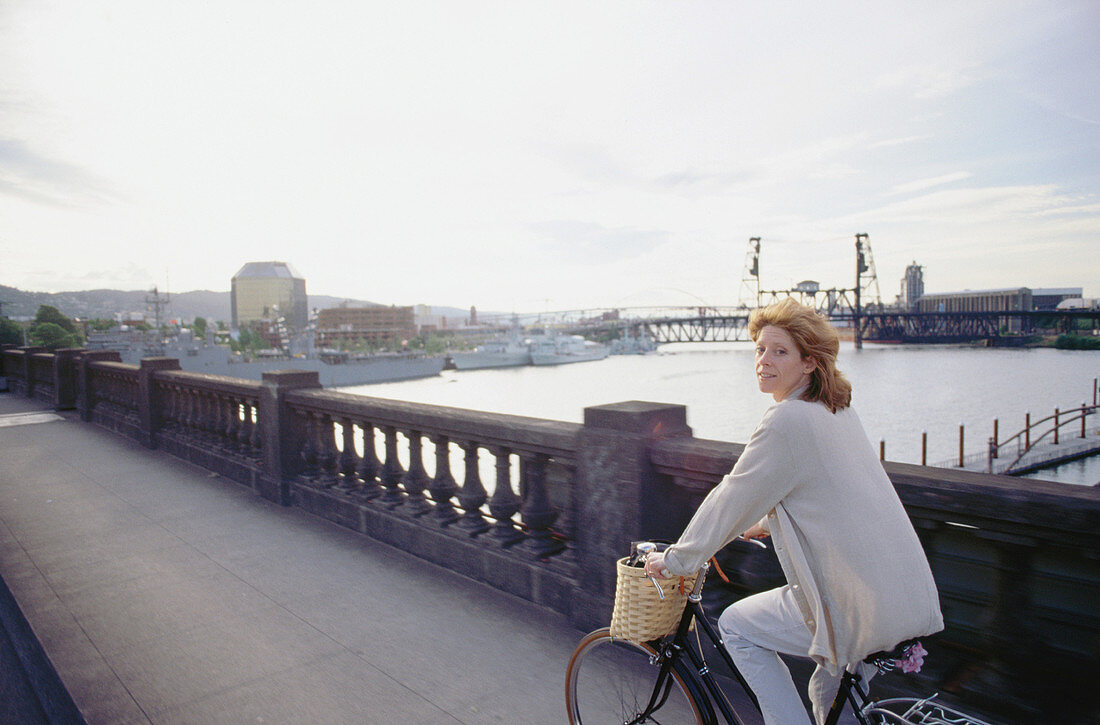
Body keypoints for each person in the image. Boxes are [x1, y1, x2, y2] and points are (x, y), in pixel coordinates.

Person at [644, 298, 943, 725]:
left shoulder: (786, 421)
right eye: (760, 349)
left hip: (853, 602)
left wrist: (677, 559)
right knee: (828, 693)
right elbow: (831, 492)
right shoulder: (836, 410)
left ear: (808, 363)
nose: (763, 361)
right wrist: (766, 524)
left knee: (737, 626)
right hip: (900, 593)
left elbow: (731, 497)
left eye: (779, 351)